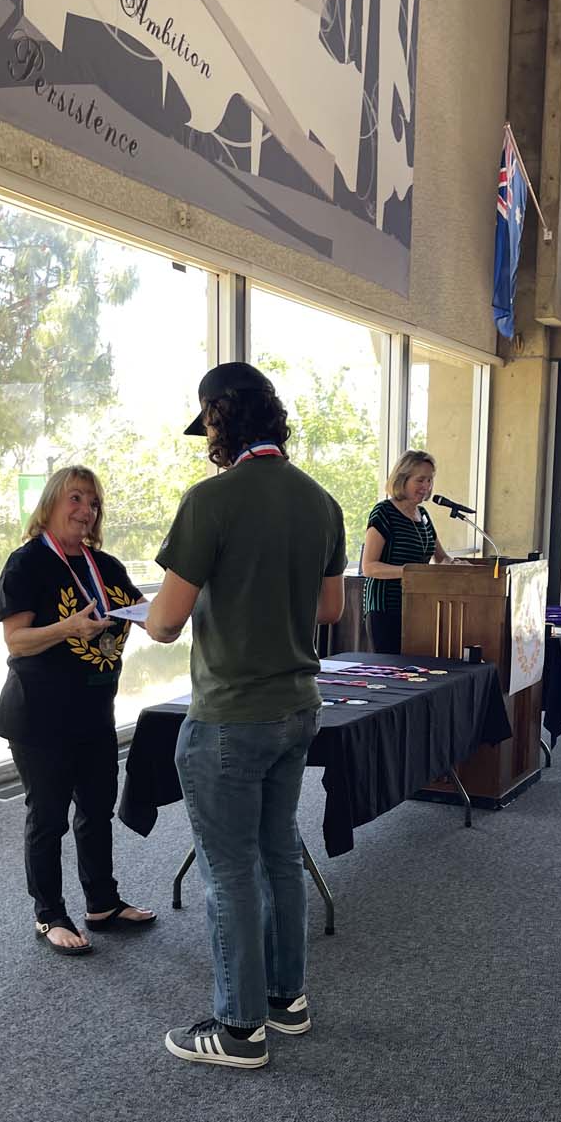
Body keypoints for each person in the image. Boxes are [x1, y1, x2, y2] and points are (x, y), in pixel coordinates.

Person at [145, 362, 347, 1069]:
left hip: (230, 714)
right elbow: (330, 610)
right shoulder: (322, 501)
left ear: (219, 422)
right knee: (279, 857)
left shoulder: (211, 501)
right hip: (298, 708)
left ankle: (238, 1030)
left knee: (228, 873)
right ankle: (287, 1002)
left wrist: (173, 607)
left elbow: (165, 622)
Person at [0, 466, 157, 954]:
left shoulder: (106, 566)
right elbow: (17, 641)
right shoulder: (27, 564)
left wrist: (180, 605)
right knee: (48, 818)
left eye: (94, 503)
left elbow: (150, 614)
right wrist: (68, 628)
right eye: (76, 499)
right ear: (50, 504)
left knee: (97, 810)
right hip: (40, 716)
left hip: (94, 712)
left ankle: (102, 903)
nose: (86, 511)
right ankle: (49, 915)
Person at [360, 449, 453, 652]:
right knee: (393, 668)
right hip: (386, 608)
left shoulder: (424, 515)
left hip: (418, 605)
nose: (426, 486)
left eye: (429, 480)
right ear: (403, 479)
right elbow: (369, 567)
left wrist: (456, 565)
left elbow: (441, 558)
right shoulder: (384, 512)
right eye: (420, 480)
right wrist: (411, 572)